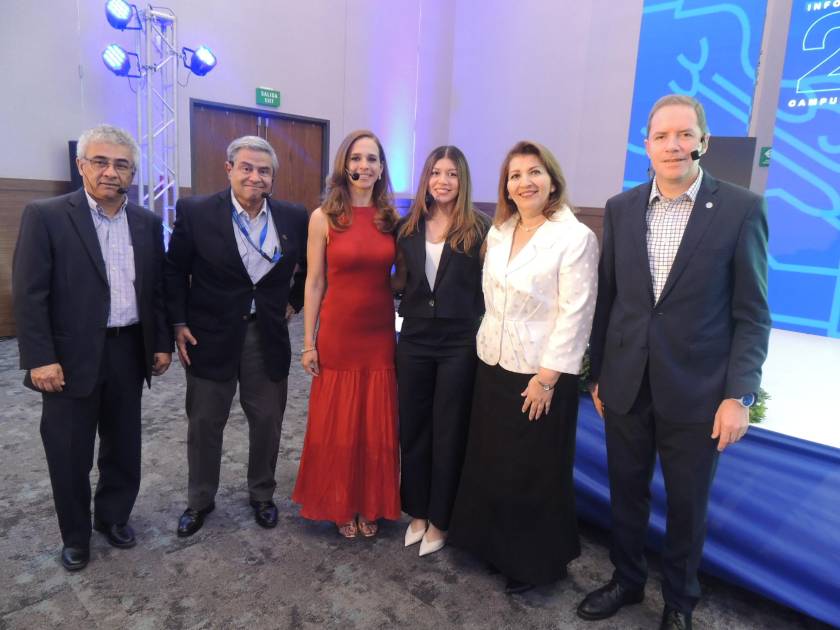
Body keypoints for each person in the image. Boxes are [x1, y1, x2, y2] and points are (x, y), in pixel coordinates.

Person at [578, 95, 770, 630]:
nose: (673, 145)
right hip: (627, 384)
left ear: (703, 141)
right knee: (626, 494)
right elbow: (610, 299)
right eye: (662, 136)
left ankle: (679, 603)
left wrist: (738, 395)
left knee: (686, 506)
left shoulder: (740, 209)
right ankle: (626, 580)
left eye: (685, 134)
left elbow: (752, 313)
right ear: (647, 144)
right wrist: (599, 374)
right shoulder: (621, 208)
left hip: (698, 390)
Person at [12, 124, 171, 571]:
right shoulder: (46, 215)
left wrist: (160, 343)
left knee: (123, 445)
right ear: (81, 165)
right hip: (67, 358)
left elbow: (156, 291)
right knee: (69, 452)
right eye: (100, 162)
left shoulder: (147, 223)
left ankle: (113, 518)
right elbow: (29, 293)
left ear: (132, 173)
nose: (110, 172)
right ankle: (76, 536)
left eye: (121, 164)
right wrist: (40, 358)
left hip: (128, 350)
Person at [448, 141, 599, 593]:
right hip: (493, 362)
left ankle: (532, 562)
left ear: (552, 180)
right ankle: (492, 546)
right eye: (515, 175)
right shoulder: (500, 232)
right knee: (493, 461)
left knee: (532, 470)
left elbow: (576, 314)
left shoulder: (574, 237)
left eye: (534, 172)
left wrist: (548, 379)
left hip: (539, 372)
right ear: (506, 187)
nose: (524, 182)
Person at [165, 135, 307, 536]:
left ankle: (262, 494)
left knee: (267, 421)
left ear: (272, 177)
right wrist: (178, 322)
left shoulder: (294, 216)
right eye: (246, 168)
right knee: (205, 422)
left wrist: (294, 302)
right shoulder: (196, 212)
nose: (255, 177)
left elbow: (314, 267)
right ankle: (200, 500)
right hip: (209, 336)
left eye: (264, 170)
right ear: (229, 169)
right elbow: (173, 270)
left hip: (267, 336)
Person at [292, 130, 401, 538]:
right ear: (344, 165)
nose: (364, 166)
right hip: (339, 332)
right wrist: (308, 343)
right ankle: (341, 502)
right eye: (356, 158)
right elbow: (314, 282)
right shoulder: (323, 217)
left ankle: (369, 502)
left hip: (379, 333)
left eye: (372, 159)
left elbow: (399, 277)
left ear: (382, 168)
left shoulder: (390, 219)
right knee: (338, 424)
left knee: (374, 424)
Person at [392, 145, 490, 557]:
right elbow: (398, 280)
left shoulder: (481, 227)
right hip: (414, 338)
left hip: (458, 341)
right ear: (426, 179)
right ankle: (417, 510)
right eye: (436, 172)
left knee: (449, 429)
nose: (443, 181)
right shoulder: (407, 226)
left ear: (462, 179)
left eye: (451, 173)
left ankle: (441, 517)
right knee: (414, 427)